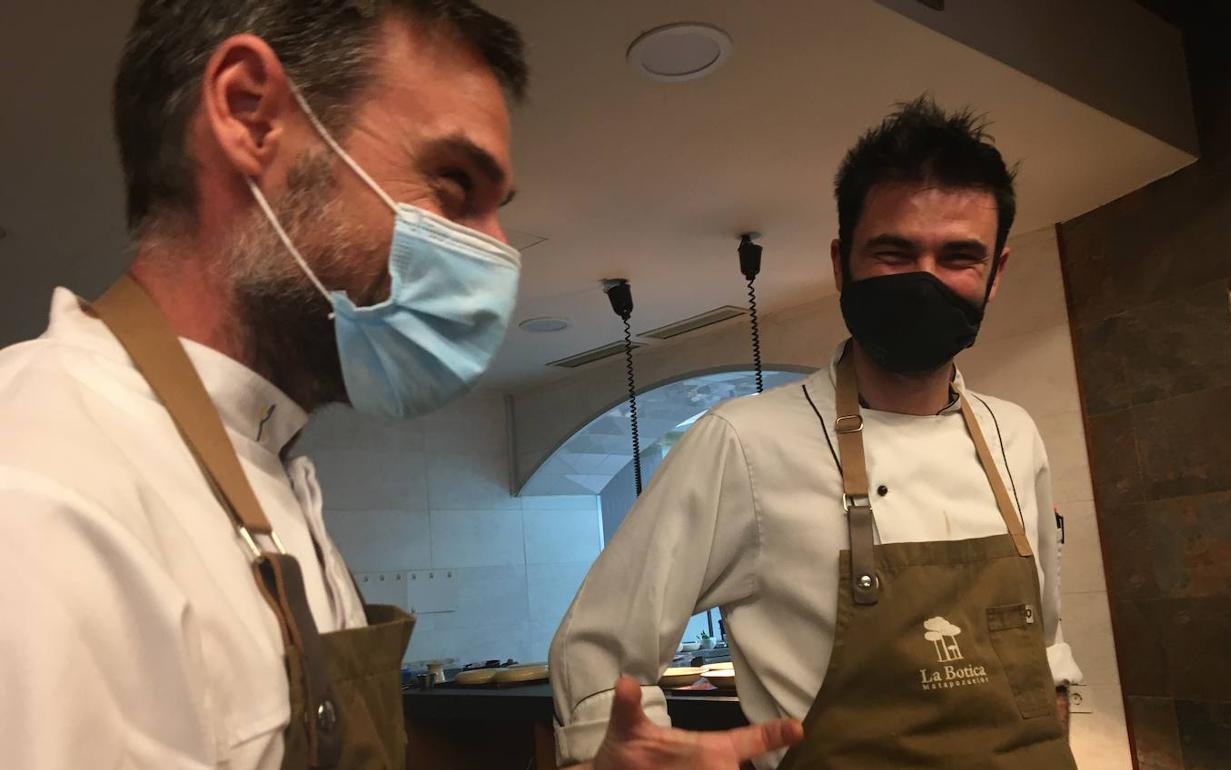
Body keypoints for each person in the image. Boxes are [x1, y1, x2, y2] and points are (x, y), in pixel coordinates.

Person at [0, 2, 799, 768]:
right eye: (453, 187)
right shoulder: (42, 489)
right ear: (250, 116)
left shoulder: (266, 469)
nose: (499, 255)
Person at [550, 97, 1083, 769]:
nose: (925, 280)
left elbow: (1042, 642)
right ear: (842, 264)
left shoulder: (1016, 434)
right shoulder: (743, 444)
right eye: (893, 252)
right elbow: (598, 650)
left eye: (958, 257)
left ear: (995, 274)